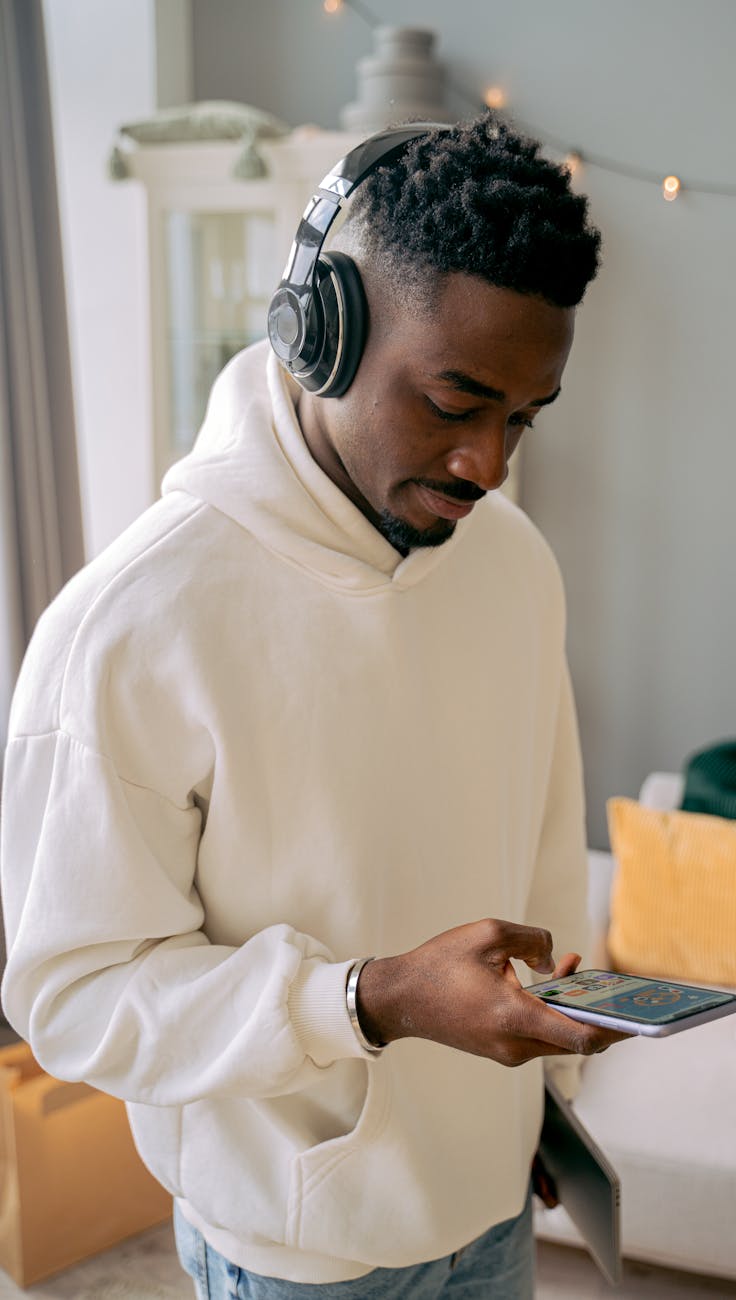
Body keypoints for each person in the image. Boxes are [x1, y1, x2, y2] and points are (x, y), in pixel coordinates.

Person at [0, 114, 625, 1299]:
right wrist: (366, 998)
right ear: (319, 334)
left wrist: (544, 1094)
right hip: (293, 1254)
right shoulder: (128, 627)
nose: (488, 462)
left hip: (496, 1203)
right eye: (455, 401)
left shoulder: (517, 563)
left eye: (525, 417)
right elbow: (73, 996)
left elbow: (541, 849)